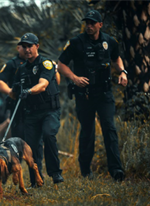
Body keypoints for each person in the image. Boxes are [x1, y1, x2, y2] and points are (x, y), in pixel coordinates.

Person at [57, 10, 128, 181]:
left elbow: (116, 58)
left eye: (92, 23)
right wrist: (74, 78)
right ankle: (85, 171)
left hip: (104, 94)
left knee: (109, 129)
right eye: (87, 23)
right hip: (85, 95)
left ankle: (116, 170)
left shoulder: (109, 42)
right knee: (87, 132)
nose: (89, 26)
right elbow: (60, 65)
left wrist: (123, 72)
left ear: (100, 25)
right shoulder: (76, 43)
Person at [10, 33, 64, 186]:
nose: (27, 49)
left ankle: (55, 173)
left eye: (30, 46)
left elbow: (43, 85)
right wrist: (12, 94)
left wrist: (29, 91)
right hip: (31, 113)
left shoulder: (45, 63)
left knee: (48, 135)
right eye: (24, 46)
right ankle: (36, 180)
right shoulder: (21, 69)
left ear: (37, 46)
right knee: (32, 148)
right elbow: (14, 91)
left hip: (49, 110)